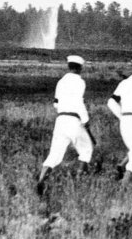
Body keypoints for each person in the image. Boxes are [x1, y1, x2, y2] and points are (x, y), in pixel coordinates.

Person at [37, 55, 94, 195]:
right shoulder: (80, 82)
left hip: (60, 120)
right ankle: (79, 183)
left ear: (69, 66)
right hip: (74, 120)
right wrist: (85, 120)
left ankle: (41, 180)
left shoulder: (61, 82)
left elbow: (55, 104)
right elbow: (79, 102)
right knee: (86, 149)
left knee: (54, 154)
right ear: (80, 67)